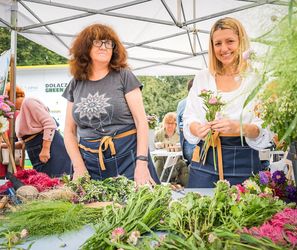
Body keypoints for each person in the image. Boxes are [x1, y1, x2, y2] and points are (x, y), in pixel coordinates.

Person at [62, 24, 159, 186]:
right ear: (85, 47)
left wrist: (142, 163)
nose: (104, 47)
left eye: (108, 43)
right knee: (92, 209)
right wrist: (79, 167)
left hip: (128, 157)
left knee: (136, 208)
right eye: (98, 42)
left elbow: (141, 122)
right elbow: (69, 131)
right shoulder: (75, 83)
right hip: (89, 162)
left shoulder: (124, 76)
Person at [183, 17, 272, 188]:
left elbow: (265, 128)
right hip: (204, 160)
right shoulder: (202, 77)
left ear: (241, 41)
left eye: (230, 41)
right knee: (200, 212)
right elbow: (189, 117)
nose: (224, 48)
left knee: (243, 212)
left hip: (244, 160)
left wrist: (239, 128)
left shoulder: (257, 78)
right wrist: (197, 129)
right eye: (217, 43)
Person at [15, 89, 72, 177]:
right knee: (45, 181)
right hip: (36, 147)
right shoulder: (20, 112)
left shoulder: (29, 102)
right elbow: (26, 139)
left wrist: (45, 149)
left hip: (48, 147)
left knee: (55, 180)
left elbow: (50, 124)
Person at [154, 112, 188, 186]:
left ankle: (185, 186)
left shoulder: (180, 134)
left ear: (176, 124)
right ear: (164, 123)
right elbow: (153, 146)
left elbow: (184, 147)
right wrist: (158, 145)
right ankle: (159, 185)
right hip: (162, 159)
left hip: (176, 159)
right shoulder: (158, 134)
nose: (170, 125)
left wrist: (178, 147)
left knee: (183, 164)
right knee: (159, 162)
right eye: (167, 123)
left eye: (172, 123)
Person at [176, 79, 196, 165]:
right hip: (193, 141)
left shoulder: (181, 103)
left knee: (192, 166)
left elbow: (178, 126)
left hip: (185, 141)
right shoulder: (200, 103)